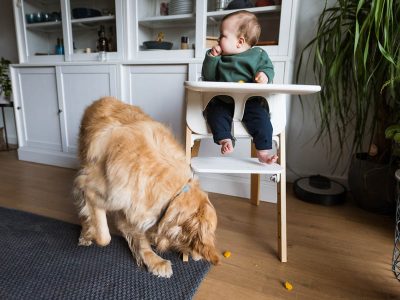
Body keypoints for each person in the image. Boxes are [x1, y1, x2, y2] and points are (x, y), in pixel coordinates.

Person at [202, 10, 278, 164]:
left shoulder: (258, 54)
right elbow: (208, 77)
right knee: (215, 114)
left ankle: (263, 153)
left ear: (240, 41)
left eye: (222, 36)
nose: (218, 40)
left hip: (250, 101)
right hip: (223, 100)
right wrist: (212, 59)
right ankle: (225, 140)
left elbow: (268, 68)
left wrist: (264, 75)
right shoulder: (220, 58)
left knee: (262, 120)